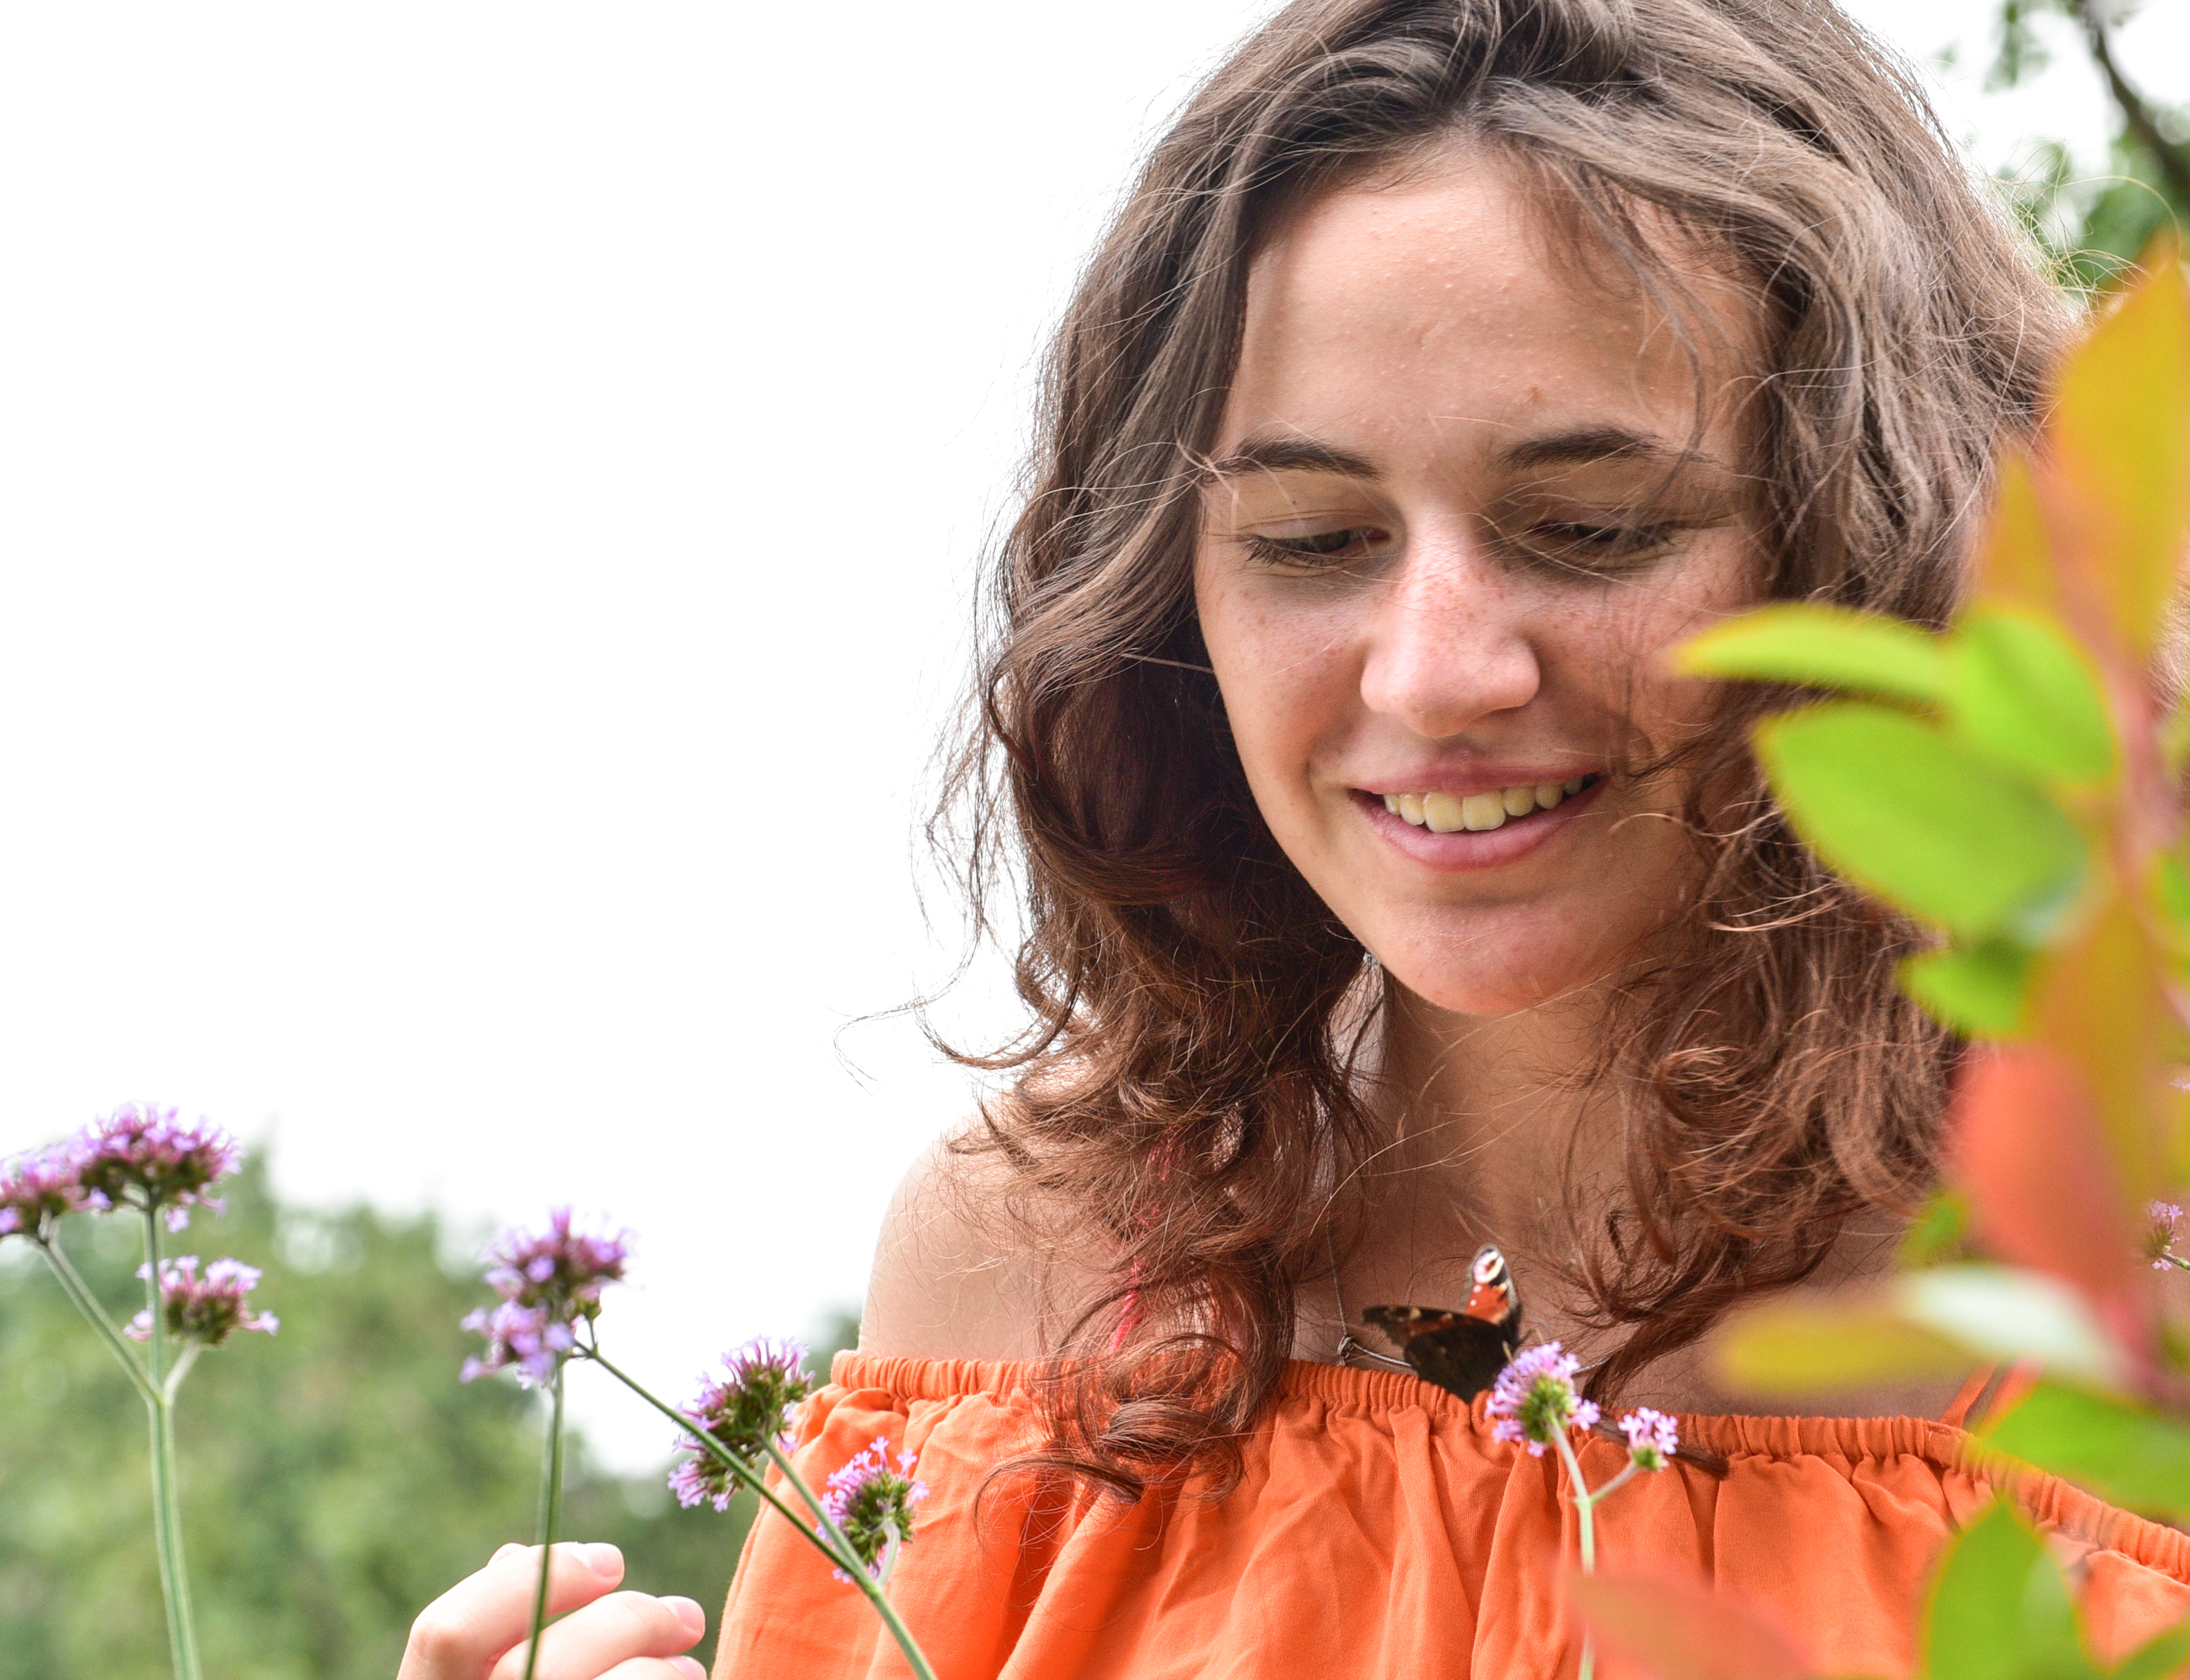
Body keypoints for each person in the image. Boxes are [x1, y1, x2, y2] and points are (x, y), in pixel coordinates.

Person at [401, 1, 2190, 1676]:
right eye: (1313, 541)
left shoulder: (2141, 1310)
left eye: (1586, 525)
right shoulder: (1018, 1277)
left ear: (1875, 545)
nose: (1434, 673)